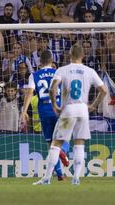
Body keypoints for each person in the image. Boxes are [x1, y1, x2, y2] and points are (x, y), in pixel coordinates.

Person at [33, 45, 107, 185]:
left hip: (68, 111)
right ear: (83, 56)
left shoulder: (62, 70)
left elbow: (53, 89)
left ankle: (47, 178)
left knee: (56, 144)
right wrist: (93, 106)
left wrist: (55, 105)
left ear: (69, 55)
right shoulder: (89, 71)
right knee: (79, 144)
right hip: (82, 111)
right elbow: (103, 90)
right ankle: (76, 179)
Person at [21, 50, 70, 181]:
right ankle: (62, 150)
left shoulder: (34, 75)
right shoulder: (59, 73)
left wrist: (24, 111)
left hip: (44, 111)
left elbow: (30, 93)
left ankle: (59, 174)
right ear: (52, 61)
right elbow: (66, 91)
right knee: (66, 136)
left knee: (50, 143)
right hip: (58, 109)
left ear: (40, 62)